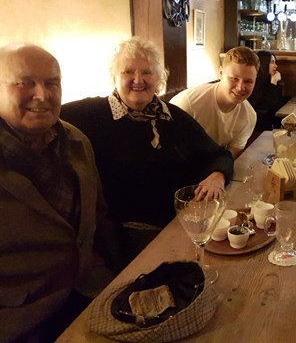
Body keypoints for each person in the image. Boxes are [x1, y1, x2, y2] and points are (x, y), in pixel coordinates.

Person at [61, 37, 233, 263]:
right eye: (128, 72)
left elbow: (218, 154)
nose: (138, 80)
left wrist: (216, 176)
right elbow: (43, 120)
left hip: (183, 223)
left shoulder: (172, 117)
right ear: (114, 77)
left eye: (147, 72)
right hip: (124, 239)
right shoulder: (89, 114)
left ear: (159, 78)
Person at [0, 44, 114, 341]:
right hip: (20, 322)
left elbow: (98, 216)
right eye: (24, 82)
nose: (42, 95)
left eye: (52, 83)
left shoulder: (76, 141)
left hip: (88, 291)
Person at [171, 46, 258, 158]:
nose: (241, 87)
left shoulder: (249, 116)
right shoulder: (187, 103)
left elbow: (229, 157)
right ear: (221, 73)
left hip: (213, 167)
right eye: (234, 78)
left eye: (248, 81)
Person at [247, 50, 286, 132]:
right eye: (272, 62)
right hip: (258, 126)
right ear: (263, 63)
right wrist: (273, 82)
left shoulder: (269, 80)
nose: (276, 66)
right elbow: (268, 107)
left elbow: (277, 105)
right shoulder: (255, 82)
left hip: (268, 123)